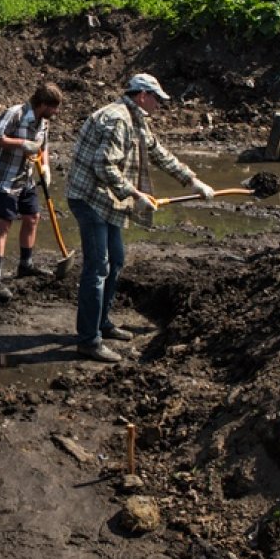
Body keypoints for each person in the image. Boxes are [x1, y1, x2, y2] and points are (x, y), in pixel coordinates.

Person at [65, 73, 215, 363]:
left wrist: (192, 181)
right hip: (88, 197)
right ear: (142, 95)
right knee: (98, 267)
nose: (160, 104)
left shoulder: (137, 119)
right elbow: (103, 166)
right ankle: (88, 340)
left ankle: (103, 323)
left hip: (107, 198)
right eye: (158, 99)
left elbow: (159, 153)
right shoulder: (119, 120)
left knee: (116, 259)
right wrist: (135, 195)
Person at [0, 82, 63, 301]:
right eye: (54, 107)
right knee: (3, 225)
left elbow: (43, 146)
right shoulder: (15, 114)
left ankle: (25, 265)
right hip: (5, 179)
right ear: (43, 104)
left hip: (26, 177)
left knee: (33, 217)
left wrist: (45, 167)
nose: (56, 112)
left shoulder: (44, 121)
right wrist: (21, 143)